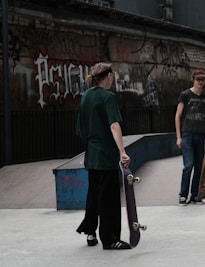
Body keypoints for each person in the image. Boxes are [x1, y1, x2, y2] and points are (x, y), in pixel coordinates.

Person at [76, 62, 131, 250]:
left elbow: (81, 129)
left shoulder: (85, 97)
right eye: (112, 75)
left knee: (94, 195)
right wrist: (122, 152)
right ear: (107, 76)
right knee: (108, 199)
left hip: (91, 156)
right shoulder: (108, 97)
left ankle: (90, 232)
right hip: (106, 156)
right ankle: (110, 238)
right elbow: (114, 125)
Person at [175, 69, 205, 206]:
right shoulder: (185, 95)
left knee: (199, 166)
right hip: (187, 134)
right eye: (198, 79)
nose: (200, 82)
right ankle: (183, 195)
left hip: (201, 135)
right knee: (188, 165)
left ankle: (194, 195)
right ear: (193, 79)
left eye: (202, 80)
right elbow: (178, 116)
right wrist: (178, 137)